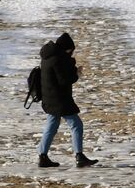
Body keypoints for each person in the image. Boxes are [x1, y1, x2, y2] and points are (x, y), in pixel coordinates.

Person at [37, 32, 97, 168]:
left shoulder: (48, 56)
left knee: (51, 127)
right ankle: (79, 156)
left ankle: (42, 156)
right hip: (59, 99)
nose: (71, 53)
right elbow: (64, 80)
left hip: (50, 97)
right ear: (66, 48)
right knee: (76, 125)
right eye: (70, 50)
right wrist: (76, 74)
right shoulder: (58, 59)